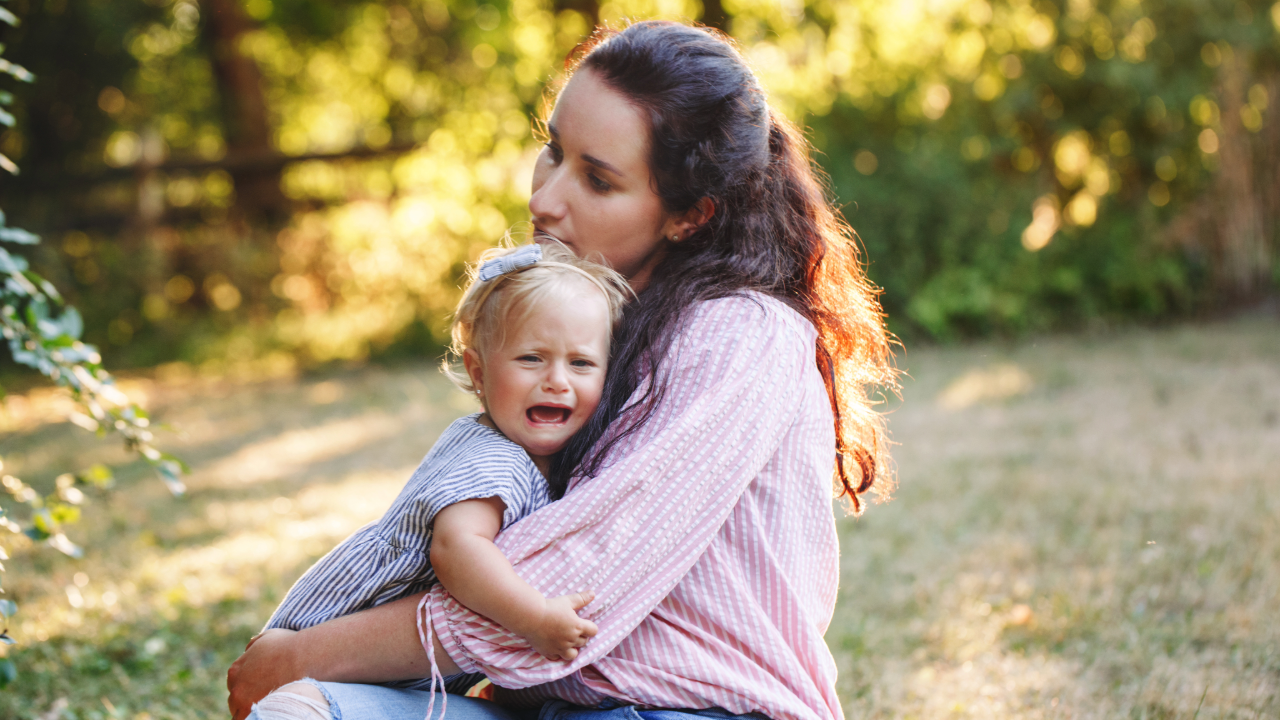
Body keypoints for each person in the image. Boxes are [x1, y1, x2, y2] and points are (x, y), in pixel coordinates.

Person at [227, 20, 897, 720]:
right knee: (303, 711)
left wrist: (301, 653)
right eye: (552, 151)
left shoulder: (741, 333)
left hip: (687, 713)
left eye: (597, 180)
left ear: (690, 215)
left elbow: (573, 584)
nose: (544, 199)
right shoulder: (605, 322)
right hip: (552, 709)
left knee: (296, 687)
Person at [250, 242, 630, 719]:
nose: (557, 380)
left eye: (581, 363)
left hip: (382, 669)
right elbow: (457, 551)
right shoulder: (496, 459)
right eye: (531, 358)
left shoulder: (533, 456)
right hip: (331, 645)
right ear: (478, 372)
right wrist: (533, 619)